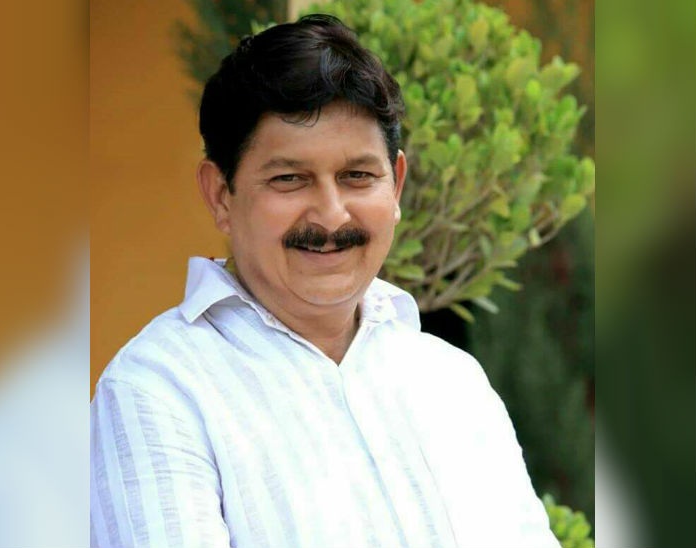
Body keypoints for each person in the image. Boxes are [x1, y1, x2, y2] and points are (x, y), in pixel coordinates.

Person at [90, 14, 558, 548]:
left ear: (396, 185)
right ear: (221, 195)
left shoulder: (452, 381)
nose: (333, 215)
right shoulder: (158, 391)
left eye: (358, 176)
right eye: (289, 179)